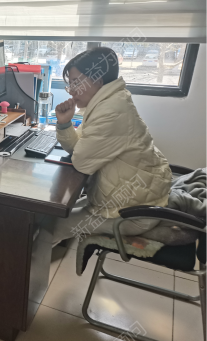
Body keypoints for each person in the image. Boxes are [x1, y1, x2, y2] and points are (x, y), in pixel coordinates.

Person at [40, 47, 171, 246]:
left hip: (134, 213)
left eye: (77, 82)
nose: (72, 90)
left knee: (49, 227)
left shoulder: (112, 111)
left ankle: (28, 265)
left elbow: (81, 162)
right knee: (52, 211)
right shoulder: (106, 102)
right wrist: (65, 124)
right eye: (70, 84)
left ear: (98, 81)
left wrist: (71, 137)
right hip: (129, 197)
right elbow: (79, 148)